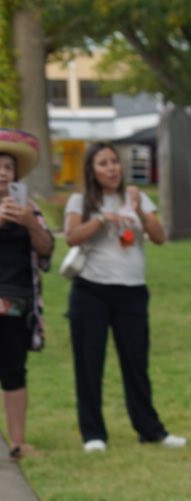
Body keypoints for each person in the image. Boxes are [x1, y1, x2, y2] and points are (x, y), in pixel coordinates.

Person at [63, 142, 184, 452]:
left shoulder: (136, 197)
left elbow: (159, 237)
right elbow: (71, 237)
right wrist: (102, 219)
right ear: (92, 170)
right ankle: (93, 434)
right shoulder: (81, 201)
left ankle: (150, 430)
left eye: (114, 162)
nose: (112, 168)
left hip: (131, 292)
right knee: (89, 365)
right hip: (91, 291)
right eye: (103, 163)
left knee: (136, 364)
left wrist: (139, 210)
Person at [0, 129, 53, 460]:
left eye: (8, 167)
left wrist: (30, 224)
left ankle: (18, 441)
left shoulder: (28, 208)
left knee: (14, 370)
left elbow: (46, 253)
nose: (2, 173)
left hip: (16, 302)